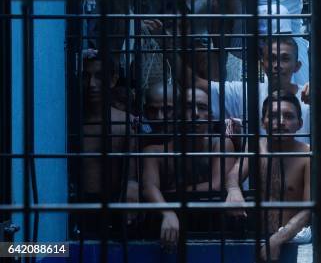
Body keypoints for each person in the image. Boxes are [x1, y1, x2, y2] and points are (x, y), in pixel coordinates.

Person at [142, 83, 236, 251]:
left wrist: (171, 193)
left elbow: (216, 185)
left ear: (210, 116)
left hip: (211, 228)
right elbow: (148, 187)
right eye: (188, 107)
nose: (195, 114)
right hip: (166, 231)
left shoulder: (221, 145)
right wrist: (167, 212)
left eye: (202, 108)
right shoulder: (154, 152)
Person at [225, 91, 311, 261]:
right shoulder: (255, 147)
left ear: (300, 123)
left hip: (292, 240)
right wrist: (233, 190)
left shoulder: (308, 155)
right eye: (272, 116)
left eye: (288, 116)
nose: (280, 122)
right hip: (255, 238)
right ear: (263, 123)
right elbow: (233, 174)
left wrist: (277, 240)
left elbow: (308, 210)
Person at [195, 36, 311, 144]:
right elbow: (196, 83)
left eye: (285, 59)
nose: (277, 65)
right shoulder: (246, 92)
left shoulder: (309, 98)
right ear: (262, 64)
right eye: (272, 58)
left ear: (297, 66)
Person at [80, 56, 139, 232]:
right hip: (74, 203)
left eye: (99, 76)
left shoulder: (125, 123)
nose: (91, 84)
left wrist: (131, 186)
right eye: (85, 76)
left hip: (113, 207)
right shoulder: (69, 122)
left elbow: (131, 174)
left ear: (113, 80)